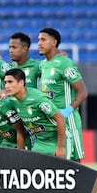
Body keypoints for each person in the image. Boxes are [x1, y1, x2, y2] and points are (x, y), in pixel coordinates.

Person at [38, 27, 88, 161]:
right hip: (51, 120)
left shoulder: (65, 63)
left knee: (74, 162)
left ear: (54, 42)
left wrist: (67, 110)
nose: (39, 43)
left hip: (68, 120)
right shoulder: (42, 65)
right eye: (38, 40)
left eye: (43, 40)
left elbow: (83, 92)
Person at [5, 68, 66, 158]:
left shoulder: (37, 99)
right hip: (40, 142)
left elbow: (60, 118)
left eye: (10, 82)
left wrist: (61, 147)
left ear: (21, 83)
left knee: (63, 170)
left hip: (56, 139)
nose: (6, 86)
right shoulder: (12, 101)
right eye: (5, 82)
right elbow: (20, 129)